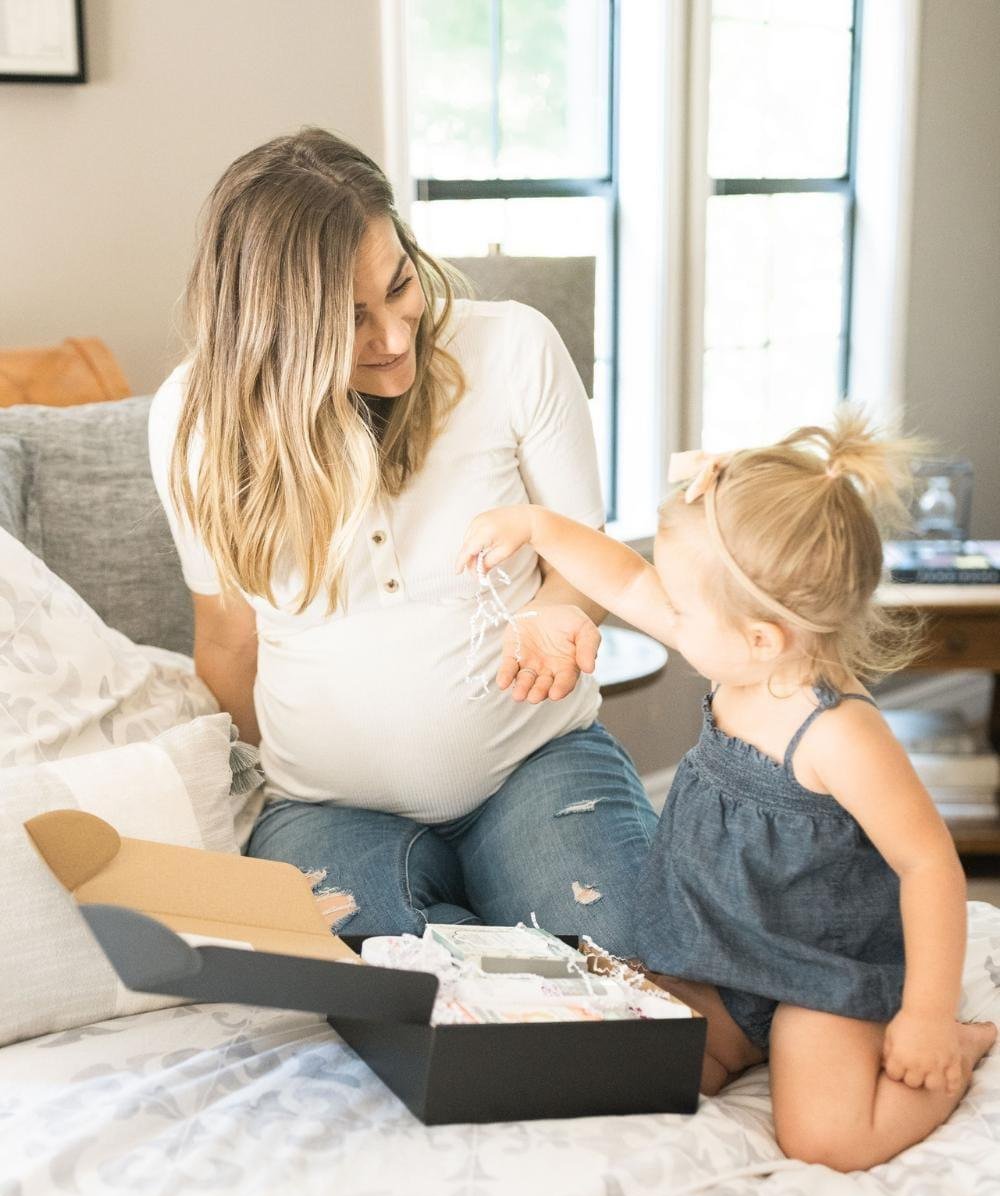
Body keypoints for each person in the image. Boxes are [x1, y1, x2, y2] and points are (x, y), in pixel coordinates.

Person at [148, 127, 657, 954]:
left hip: (536, 766)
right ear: (273, 331)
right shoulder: (192, 422)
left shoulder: (514, 347)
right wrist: (251, 809)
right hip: (326, 811)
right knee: (404, 993)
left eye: (399, 285)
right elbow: (228, 637)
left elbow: (582, 559)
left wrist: (560, 616)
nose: (393, 335)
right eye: (348, 321)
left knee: (630, 966)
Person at [456, 411, 996, 1171]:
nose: (663, 608)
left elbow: (929, 865)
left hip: (819, 972)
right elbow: (624, 575)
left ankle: (960, 1056)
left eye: (680, 605)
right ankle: (739, 1042)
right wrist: (537, 523)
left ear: (764, 638)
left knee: (826, 1139)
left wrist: (929, 1016)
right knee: (633, 1064)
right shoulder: (738, 663)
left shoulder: (838, 733)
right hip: (713, 956)